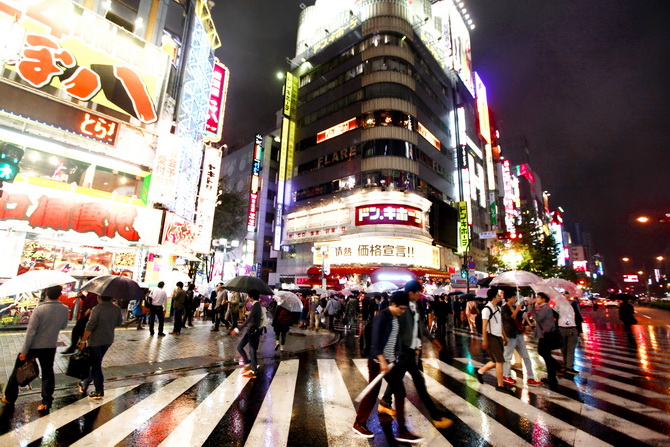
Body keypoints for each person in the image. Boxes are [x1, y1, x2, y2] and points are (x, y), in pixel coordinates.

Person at [379, 280, 453, 429]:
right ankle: (435, 416)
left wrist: (432, 340)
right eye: (418, 292)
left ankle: (385, 402)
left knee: (399, 378)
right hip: (404, 352)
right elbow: (395, 330)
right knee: (420, 384)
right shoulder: (401, 307)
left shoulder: (416, 306)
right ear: (410, 293)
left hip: (410, 351)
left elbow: (420, 325)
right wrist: (396, 352)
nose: (420, 295)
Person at [353, 290, 424, 444]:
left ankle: (402, 430)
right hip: (377, 363)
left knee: (400, 391)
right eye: (401, 308)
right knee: (372, 393)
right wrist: (381, 359)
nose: (402, 311)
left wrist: (401, 352)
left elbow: (395, 339)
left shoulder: (395, 317)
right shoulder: (382, 317)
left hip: (390, 362)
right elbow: (376, 341)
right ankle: (359, 423)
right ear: (393, 304)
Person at [2, 285, 69, 413]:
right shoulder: (64, 309)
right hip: (50, 346)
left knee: (17, 370)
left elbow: (31, 332)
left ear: (47, 293)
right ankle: (46, 401)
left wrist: (24, 351)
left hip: (33, 346)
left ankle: (9, 397)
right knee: (48, 373)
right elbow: (64, 325)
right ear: (59, 294)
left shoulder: (39, 309)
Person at [77, 295, 123, 399]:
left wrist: (83, 341)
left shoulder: (97, 308)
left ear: (99, 298)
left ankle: (99, 390)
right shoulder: (117, 309)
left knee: (96, 366)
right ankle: (85, 383)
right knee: (96, 363)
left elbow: (90, 325)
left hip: (96, 341)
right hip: (108, 340)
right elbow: (119, 323)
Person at [500, 290, 542, 386]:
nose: (515, 299)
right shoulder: (504, 308)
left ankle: (530, 377)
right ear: (508, 298)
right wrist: (517, 310)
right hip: (510, 335)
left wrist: (523, 309)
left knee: (526, 357)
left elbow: (519, 318)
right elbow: (509, 319)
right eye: (513, 297)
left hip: (518, 334)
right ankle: (506, 375)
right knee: (508, 357)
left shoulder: (515, 307)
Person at [475, 288, 511, 393]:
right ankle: (500, 385)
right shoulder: (487, 309)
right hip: (491, 337)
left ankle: (480, 372)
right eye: (499, 295)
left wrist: (504, 337)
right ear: (494, 296)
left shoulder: (498, 308)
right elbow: (484, 326)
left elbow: (500, 324)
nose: (501, 296)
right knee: (500, 361)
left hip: (498, 336)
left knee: (496, 361)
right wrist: (484, 340)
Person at [529, 292, 561, 391]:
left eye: (538, 297)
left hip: (546, 335)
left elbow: (538, 318)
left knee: (542, 352)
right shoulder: (543, 308)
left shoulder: (546, 308)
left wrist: (531, 308)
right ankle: (552, 378)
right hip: (545, 335)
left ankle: (558, 367)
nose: (536, 299)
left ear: (544, 299)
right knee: (546, 356)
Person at [231, 289, 263, 379]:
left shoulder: (256, 305)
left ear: (252, 297)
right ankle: (247, 363)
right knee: (239, 347)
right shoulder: (255, 305)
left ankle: (254, 370)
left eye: (248, 296)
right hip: (250, 330)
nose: (247, 298)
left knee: (252, 351)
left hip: (253, 331)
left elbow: (249, 320)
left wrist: (237, 329)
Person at [553, 290, 579, 375]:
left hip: (572, 328)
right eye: (565, 294)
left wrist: (580, 331)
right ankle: (565, 364)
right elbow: (554, 316)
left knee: (571, 349)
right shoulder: (558, 304)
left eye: (568, 294)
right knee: (563, 348)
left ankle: (569, 366)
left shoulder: (573, 304)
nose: (567, 296)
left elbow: (578, 317)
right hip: (561, 329)